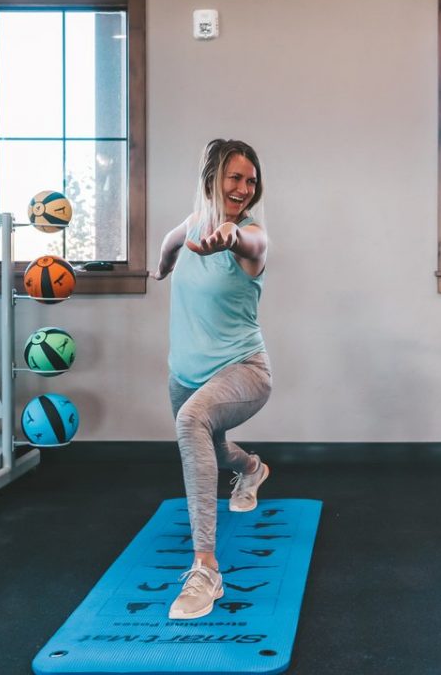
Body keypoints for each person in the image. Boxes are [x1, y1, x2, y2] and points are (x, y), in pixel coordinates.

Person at [150, 138, 273, 619]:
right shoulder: (193, 225)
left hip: (244, 370)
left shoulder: (250, 235)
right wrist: (160, 269)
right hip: (185, 372)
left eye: (251, 180)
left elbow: (254, 245)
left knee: (191, 423)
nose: (244, 188)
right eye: (235, 178)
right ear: (211, 179)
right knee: (211, 448)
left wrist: (232, 235)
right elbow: (169, 243)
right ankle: (252, 469)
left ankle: (206, 569)